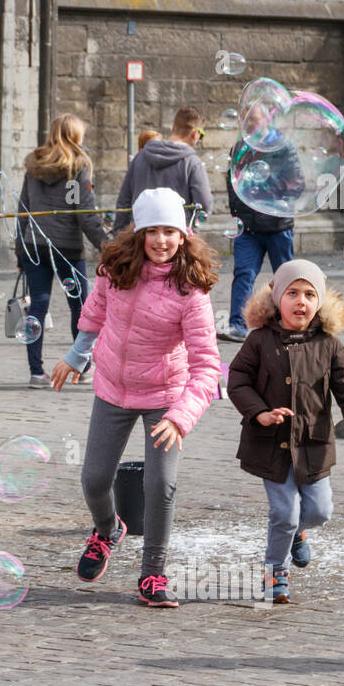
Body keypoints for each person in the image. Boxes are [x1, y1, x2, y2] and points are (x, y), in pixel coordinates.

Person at [49, 187, 221, 608]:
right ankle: (107, 530)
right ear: (139, 233)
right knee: (93, 479)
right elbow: (94, 313)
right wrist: (77, 356)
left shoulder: (192, 293)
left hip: (165, 397)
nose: (162, 240)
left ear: (184, 236)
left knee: (160, 484)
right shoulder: (116, 269)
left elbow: (207, 367)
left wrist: (180, 417)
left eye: (170, 231)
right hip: (112, 387)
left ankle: (152, 575)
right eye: (153, 231)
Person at [227, 260, 344, 604]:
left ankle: (298, 534)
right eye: (292, 293)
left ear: (319, 302)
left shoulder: (329, 344)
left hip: (314, 445)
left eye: (309, 294)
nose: (301, 301)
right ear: (277, 298)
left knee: (320, 511)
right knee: (283, 513)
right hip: (270, 445)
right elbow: (237, 381)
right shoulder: (259, 340)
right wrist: (260, 413)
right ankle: (274, 574)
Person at [16, 114, 106, 388]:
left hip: (35, 246)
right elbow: (83, 212)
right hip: (67, 247)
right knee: (80, 308)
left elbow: (24, 210)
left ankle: (36, 372)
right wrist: (107, 246)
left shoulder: (34, 164)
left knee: (38, 306)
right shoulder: (77, 166)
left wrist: (20, 251)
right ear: (75, 136)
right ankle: (82, 365)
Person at [220, 103, 304, 342]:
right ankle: (238, 325)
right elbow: (232, 183)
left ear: (266, 121)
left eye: (254, 121)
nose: (250, 126)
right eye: (247, 122)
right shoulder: (239, 148)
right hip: (248, 227)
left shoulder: (283, 148)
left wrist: (264, 187)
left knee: (286, 278)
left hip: (278, 226)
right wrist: (239, 210)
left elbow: (297, 185)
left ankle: (289, 324)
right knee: (243, 273)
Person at [111, 106, 214, 236]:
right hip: (176, 239)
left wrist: (118, 237)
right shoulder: (192, 162)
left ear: (173, 126)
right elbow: (203, 205)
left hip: (140, 236)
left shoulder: (140, 157)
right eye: (201, 135)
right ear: (195, 134)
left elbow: (123, 202)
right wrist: (191, 232)